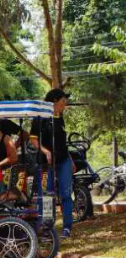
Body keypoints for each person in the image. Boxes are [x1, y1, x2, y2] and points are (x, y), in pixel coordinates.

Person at [30, 88, 75, 237]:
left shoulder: (60, 117)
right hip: (46, 163)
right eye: (63, 101)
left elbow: (63, 143)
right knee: (47, 194)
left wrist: (71, 160)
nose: (65, 104)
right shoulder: (39, 118)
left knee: (66, 193)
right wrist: (46, 151)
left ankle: (67, 226)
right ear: (54, 102)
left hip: (64, 161)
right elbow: (34, 140)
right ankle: (48, 226)